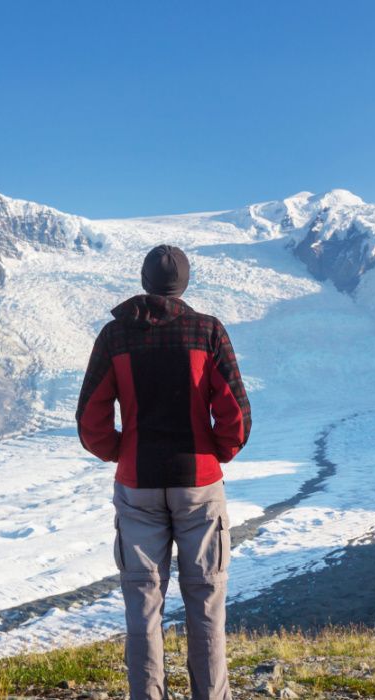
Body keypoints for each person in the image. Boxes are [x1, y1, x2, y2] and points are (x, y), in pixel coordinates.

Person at [76, 244, 251, 700]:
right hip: (199, 484)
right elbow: (236, 414)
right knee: (206, 602)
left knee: (142, 605)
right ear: (184, 284)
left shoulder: (115, 336)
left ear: (144, 281)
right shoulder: (207, 331)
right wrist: (217, 452)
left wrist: (120, 451)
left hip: (138, 484)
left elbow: (91, 418)